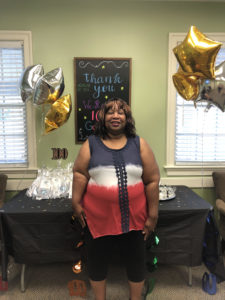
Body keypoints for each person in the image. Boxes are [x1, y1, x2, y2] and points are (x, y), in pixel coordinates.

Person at [72, 97, 160, 300]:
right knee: (97, 263)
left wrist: (153, 214)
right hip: (97, 219)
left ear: (127, 118)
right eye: (110, 111)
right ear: (103, 117)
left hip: (135, 219)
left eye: (121, 112)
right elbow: (80, 173)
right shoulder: (91, 144)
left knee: (136, 263)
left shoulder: (139, 144)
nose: (115, 115)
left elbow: (152, 180)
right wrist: (75, 202)